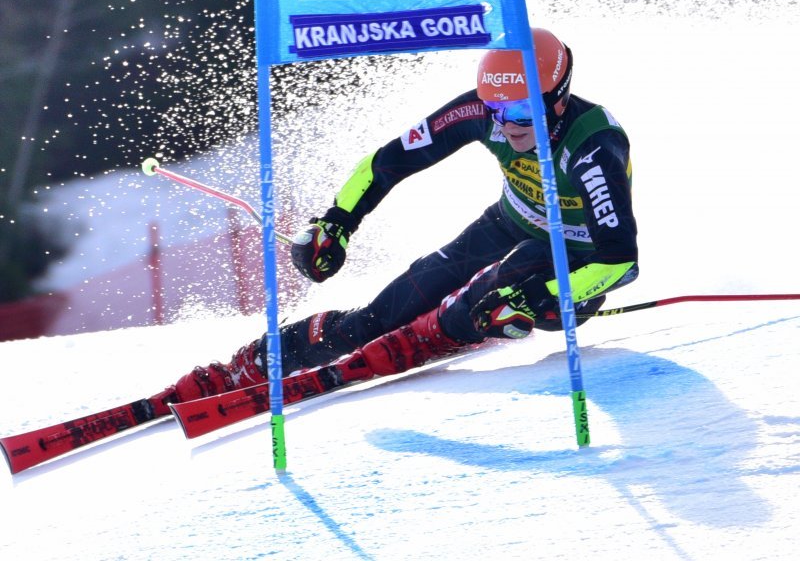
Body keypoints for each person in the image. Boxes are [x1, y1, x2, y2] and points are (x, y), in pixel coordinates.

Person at [156, 27, 639, 408]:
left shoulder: (592, 145)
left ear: (558, 98)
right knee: (378, 317)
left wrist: (541, 295)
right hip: (507, 223)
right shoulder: (481, 111)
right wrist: (337, 223)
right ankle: (260, 361)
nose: (505, 124)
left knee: (500, 290)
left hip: (577, 260)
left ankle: (464, 319)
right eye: (495, 108)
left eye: (520, 111)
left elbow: (620, 262)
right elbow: (387, 162)